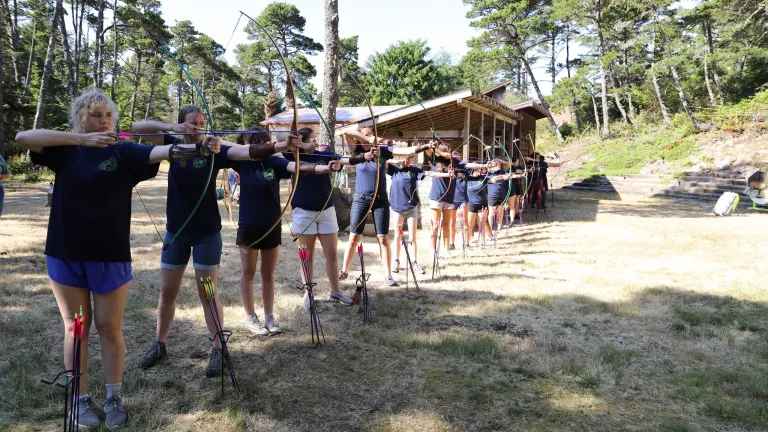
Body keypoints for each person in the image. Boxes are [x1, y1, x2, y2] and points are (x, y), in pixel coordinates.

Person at [15, 89, 220, 429]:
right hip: (66, 255)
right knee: (76, 328)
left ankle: (113, 396)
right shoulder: (65, 151)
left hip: (109, 257)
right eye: (97, 115)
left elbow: (164, 150)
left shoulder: (124, 152)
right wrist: (80, 138)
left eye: (108, 115)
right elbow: (24, 137)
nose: (105, 121)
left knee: (109, 328)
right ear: (82, 117)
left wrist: (199, 146)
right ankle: (79, 400)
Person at [132, 108, 307, 375]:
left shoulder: (215, 148)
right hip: (176, 232)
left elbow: (249, 153)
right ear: (182, 124)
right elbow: (137, 127)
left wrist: (283, 145)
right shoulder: (169, 143)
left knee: (208, 293)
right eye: (193, 123)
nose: (199, 127)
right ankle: (159, 343)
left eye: (202, 123)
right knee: (167, 293)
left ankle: (218, 349)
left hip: (206, 234)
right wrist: (174, 128)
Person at [231, 127, 340, 335]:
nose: (261, 146)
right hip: (249, 225)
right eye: (256, 142)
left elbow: (298, 166)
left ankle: (269, 317)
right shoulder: (240, 161)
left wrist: (325, 168)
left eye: (264, 141)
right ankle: (250, 317)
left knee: (268, 274)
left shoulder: (274, 162)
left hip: (272, 224)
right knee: (248, 272)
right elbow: (227, 149)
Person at [338, 129, 433, 289]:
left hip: (380, 199)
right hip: (361, 198)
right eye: (367, 134)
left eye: (371, 133)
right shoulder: (358, 150)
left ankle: (388, 274)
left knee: (382, 238)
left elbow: (404, 151)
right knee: (354, 238)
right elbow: (346, 131)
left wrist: (423, 147)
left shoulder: (383, 151)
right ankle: (344, 270)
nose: (370, 136)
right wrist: (369, 138)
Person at [284, 127, 355, 309]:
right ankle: (308, 292)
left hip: (326, 211)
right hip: (303, 212)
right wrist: (295, 143)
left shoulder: (326, 155)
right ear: (302, 141)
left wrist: (366, 156)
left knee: (331, 254)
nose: (316, 142)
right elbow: (282, 146)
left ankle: (335, 291)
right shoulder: (293, 156)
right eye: (312, 139)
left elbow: (346, 159)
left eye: (316, 138)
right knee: (306, 256)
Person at [386, 155, 451, 275]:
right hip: (397, 208)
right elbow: (384, 161)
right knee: (397, 236)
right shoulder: (394, 169)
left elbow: (431, 174)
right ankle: (396, 261)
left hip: (411, 208)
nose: (410, 160)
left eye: (411, 158)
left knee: (412, 237)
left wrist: (447, 175)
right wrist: (399, 160)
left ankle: (414, 262)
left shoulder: (414, 170)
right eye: (408, 158)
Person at [449, 151, 468, 249]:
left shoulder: (464, 168)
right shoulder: (450, 169)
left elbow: (473, 171)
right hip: (452, 199)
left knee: (464, 221)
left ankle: (466, 243)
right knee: (452, 222)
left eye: (457, 159)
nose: (456, 161)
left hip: (463, 198)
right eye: (454, 159)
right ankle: (452, 243)